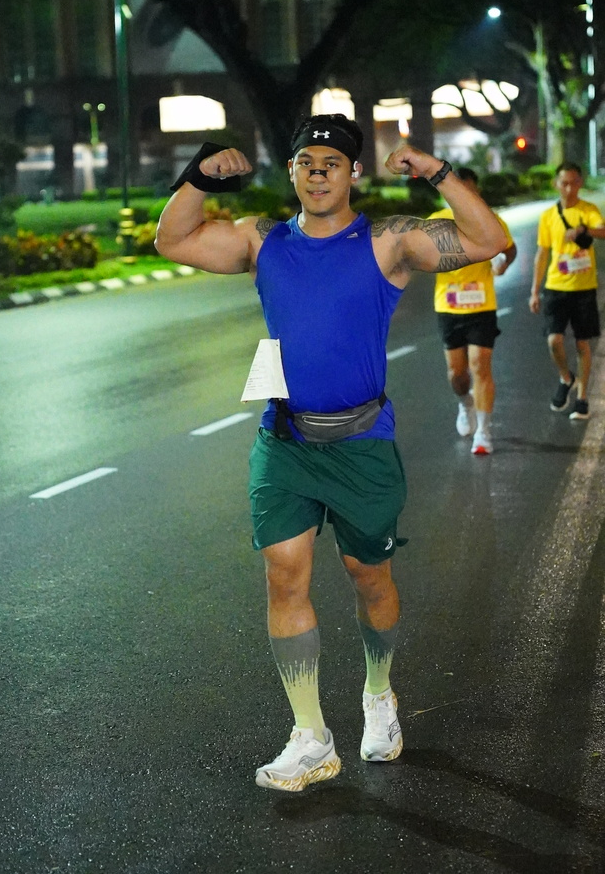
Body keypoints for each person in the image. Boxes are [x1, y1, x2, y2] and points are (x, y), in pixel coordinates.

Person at [154, 114, 507, 792]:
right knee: (284, 574)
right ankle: (311, 736)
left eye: (332, 163)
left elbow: (490, 240)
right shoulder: (262, 240)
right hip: (284, 439)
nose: (318, 173)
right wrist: (199, 175)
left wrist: (436, 172)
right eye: (307, 162)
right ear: (292, 171)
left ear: (353, 173)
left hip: (361, 445)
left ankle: (379, 693)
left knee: (369, 579)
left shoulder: (387, 241)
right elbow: (172, 239)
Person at [428, 167, 517, 455]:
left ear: (476, 191)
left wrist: (503, 263)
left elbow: (510, 248)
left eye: (469, 190)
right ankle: (465, 403)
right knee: (458, 374)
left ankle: (484, 431)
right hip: (449, 306)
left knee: (480, 365)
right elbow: (417, 254)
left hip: (481, 304)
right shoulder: (436, 222)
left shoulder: (491, 221)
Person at [529, 162, 605, 420]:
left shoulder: (588, 210)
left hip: (584, 288)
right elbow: (542, 253)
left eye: (574, 183)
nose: (569, 188)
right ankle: (566, 377)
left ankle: (582, 398)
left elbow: (602, 230)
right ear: (556, 185)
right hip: (556, 287)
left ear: (580, 183)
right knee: (554, 340)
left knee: (583, 343)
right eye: (564, 183)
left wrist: (584, 230)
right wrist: (534, 291)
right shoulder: (548, 216)